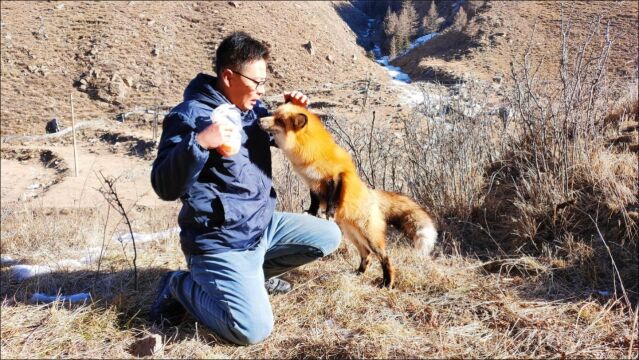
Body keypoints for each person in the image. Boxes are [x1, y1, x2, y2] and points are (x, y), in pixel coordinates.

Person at [149, 32, 342, 345]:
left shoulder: (250, 110)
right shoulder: (190, 117)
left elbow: (287, 141)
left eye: (265, 82)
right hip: (220, 241)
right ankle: (179, 285)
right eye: (257, 82)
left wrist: (294, 115)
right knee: (252, 330)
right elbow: (164, 185)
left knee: (329, 235)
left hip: (261, 227)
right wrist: (199, 143)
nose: (262, 90)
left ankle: (254, 277)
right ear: (228, 76)